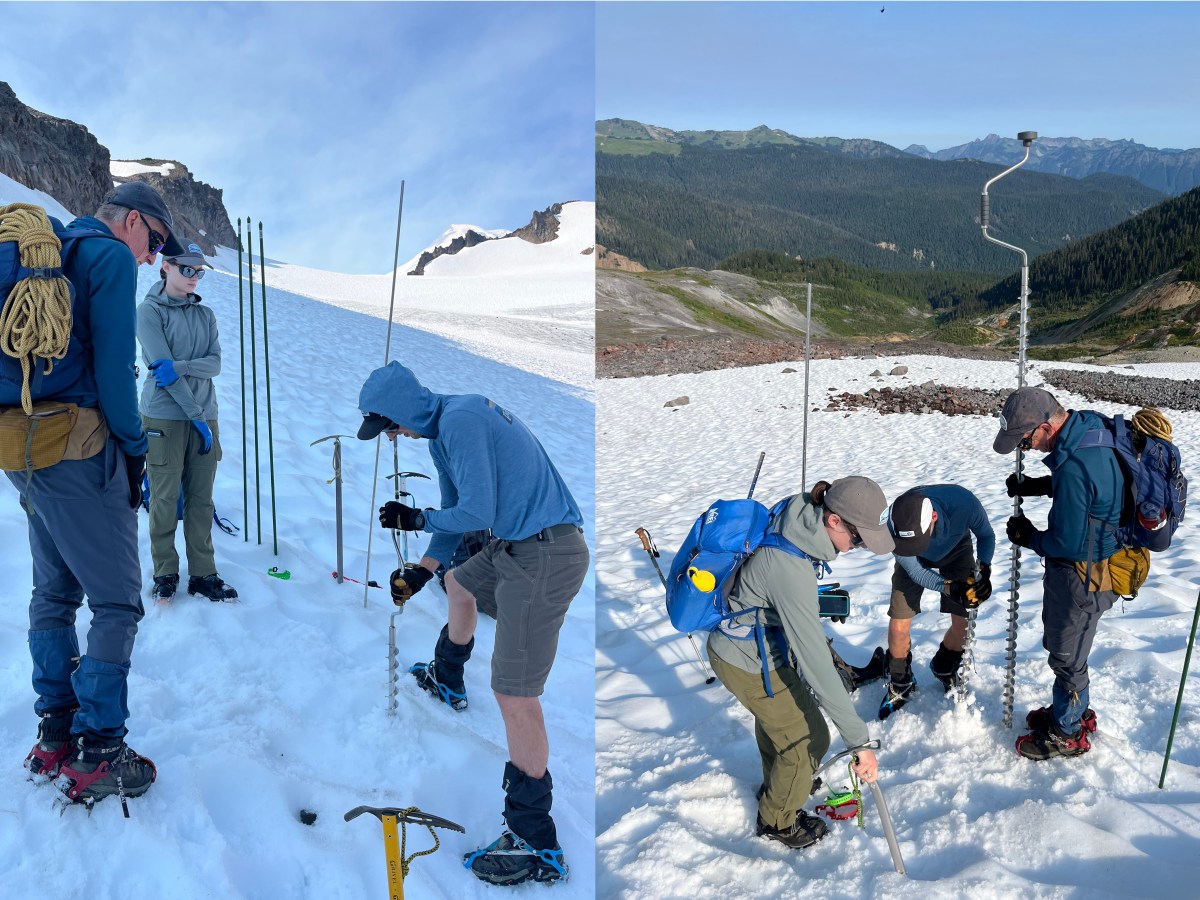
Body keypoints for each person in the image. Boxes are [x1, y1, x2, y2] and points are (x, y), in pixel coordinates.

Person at [356, 361, 589, 886]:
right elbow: (457, 510)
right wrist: (423, 570)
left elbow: (477, 512)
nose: (392, 436)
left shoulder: (459, 422)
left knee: (515, 694)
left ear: (401, 410)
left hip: (546, 555)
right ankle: (448, 677)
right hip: (519, 544)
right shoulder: (445, 427)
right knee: (458, 582)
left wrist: (415, 519)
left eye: (389, 425)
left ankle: (535, 840)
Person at [9, 182, 183, 806]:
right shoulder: (107, 256)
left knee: (54, 592)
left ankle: (55, 735)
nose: (152, 256)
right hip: (80, 450)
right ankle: (100, 749)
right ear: (131, 220)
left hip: (21, 446)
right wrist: (134, 451)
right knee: (116, 601)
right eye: (154, 241)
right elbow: (113, 373)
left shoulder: (48, 251)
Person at [707, 476, 891, 851]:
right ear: (834, 520)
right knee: (809, 740)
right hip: (745, 658)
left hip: (754, 647)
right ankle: (777, 821)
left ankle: (782, 786)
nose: (857, 548)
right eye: (858, 539)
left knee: (783, 725)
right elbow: (818, 667)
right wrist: (859, 742)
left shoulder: (799, 516)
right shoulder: (790, 569)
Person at [993, 386, 1122, 760]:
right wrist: (1037, 486)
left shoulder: (1075, 465)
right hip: (1096, 561)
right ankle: (1072, 711)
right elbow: (1088, 488)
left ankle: (1068, 732)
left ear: (1046, 427)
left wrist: (1029, 536)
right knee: (1069, 650)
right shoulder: (1088, 428)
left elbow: (1066, 542)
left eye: (1025, 441)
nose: (1025, 449)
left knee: (1067, 655)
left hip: (1085, 574)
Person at [136, 242, 236, 602]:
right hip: (165, 417)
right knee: (164, 498)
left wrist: (182, 366)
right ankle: (165, 572)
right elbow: (162, 374)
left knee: (201, 499)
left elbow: (215, 364)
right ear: (166, 267)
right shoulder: (148, 312)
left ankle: (203, 573)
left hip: (206, 416)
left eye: (199, 271)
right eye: (187, 269)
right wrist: (195, 415)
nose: (194, 277)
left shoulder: (205, 315)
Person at [877, 484, 996, 719]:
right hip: (912, 562)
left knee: (963, 625)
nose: (918, 545)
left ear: (933, 517)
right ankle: (901, 682)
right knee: (898, 626)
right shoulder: (894, 525)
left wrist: (984, 569)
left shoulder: (964, 503)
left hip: (956, 548)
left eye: (920, 540)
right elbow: (916, 572)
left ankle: (944, 666)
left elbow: (986, 535)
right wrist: (951, 588)